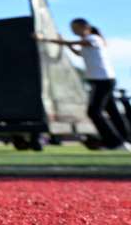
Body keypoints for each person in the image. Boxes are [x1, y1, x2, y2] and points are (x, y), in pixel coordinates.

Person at [38, 18, 131, 151]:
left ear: (84, 27)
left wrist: (46, 39)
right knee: (112, 111)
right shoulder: (88, 43)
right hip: (102, 81)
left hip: (103, 81)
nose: (73, 31)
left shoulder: (94, 38)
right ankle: (124, 139)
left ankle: (114, 142)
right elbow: (78, 52)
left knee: (93, 111)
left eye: (75, 28)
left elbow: (79, 43)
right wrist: (67, 45)